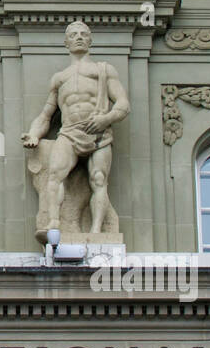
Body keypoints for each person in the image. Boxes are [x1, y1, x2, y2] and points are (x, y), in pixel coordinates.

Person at [22, 21, 130, 237]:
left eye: (83, 34)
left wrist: (106, 119)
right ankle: (54, 221)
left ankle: (97, 230)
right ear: (66, 42)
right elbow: (46, 115)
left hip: (98, 132)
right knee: (54, 175)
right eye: (73, 35)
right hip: (69, 132)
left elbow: (123, 104)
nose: (79, 37)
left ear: (90, 40)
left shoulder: (103, 70)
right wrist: (34, 134)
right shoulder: (59, 79)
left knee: (99, 179)